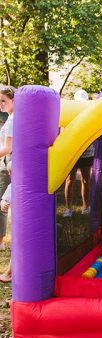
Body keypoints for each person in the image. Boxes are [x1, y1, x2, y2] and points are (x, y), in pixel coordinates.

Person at [63, 89, 94, 218]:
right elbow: (63, 132)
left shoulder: (91, 115)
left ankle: (86, 207)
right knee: (70, 180)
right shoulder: (69, 115)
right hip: (72, 152)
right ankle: (68, 208)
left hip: (87, 152)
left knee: (86, 180)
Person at [0, 85, 15, 251]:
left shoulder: (12, 120)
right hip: (7, 163)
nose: (0, 104)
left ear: (13, 100)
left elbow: (8, 148)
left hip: (9, 163)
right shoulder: (12, 117)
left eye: (3, 100)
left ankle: (1, 241)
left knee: (3, 202)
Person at [0, 183, 11, 282]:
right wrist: (3, 203)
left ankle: (8, 273)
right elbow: (4, 200)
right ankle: (8, 273)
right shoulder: (12, 186)